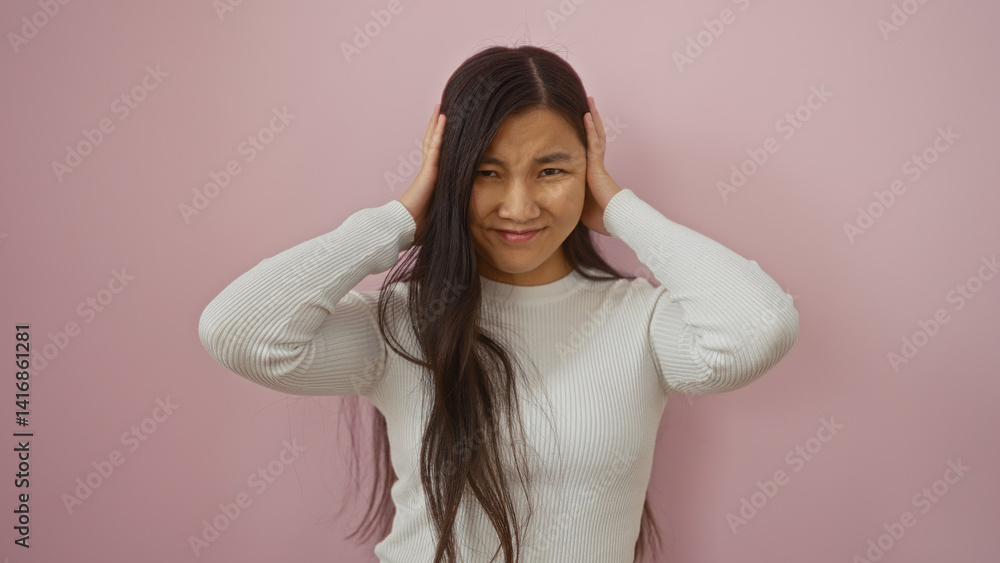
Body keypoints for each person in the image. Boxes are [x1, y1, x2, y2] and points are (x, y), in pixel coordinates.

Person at [198, 45, 799, 563]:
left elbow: (757, 330)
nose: (518, 206)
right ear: (451, 176)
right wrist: (401, 218)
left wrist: (619, 208)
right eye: (487, 172)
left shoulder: (640, 321)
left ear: (587, 169)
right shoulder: (403, 323)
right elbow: (239, 333)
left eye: (551, 170)